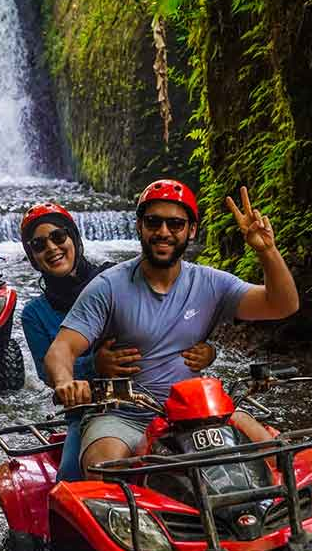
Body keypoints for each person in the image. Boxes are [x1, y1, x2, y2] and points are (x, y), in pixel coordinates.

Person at [44, 180, 299, 478]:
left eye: (175, 224)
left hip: (199, 410)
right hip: (124, 414)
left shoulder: (212, 284)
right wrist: (65, 382)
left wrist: (267, 251)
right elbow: (62, 348)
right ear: (139, 226)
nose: (163, 232)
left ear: (191, 230)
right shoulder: (108, 287)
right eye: (154, 222)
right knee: (105, 468)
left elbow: (281, 305)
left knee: (275, 456)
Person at [20, 202, 216, 481]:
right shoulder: (34, 314)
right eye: (39, 245)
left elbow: (170, 319)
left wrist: (209, 350)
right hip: (93, 409)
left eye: (58, 237)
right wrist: (94, 366)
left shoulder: (115, 279)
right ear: (32, 256)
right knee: (70, 476)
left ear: (73, 238)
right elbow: (47, 372)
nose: (51, 248)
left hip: (162, 397)